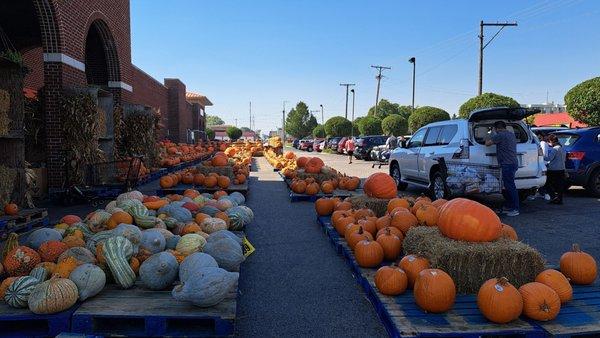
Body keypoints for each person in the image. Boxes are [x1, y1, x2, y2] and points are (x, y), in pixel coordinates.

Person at [485, 121, 520, 216]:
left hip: (507, 164)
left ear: (496, 128)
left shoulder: (499, 135)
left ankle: (515, 208)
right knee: (508, 186)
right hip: (513, 162)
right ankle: (509, 206)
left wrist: (490, 133)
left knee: (510, 186)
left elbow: (487, 143)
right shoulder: (511, 134)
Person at [544, 134, 566, 204]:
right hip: (561, 169)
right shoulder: (562, 148)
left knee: (547, 184)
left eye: (548, 141)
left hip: (553, 170)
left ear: (551, 141)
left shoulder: (555, 149)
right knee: (560, 185)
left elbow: (549, 158)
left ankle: (554, 197)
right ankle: (559, 200)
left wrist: (541, 155)